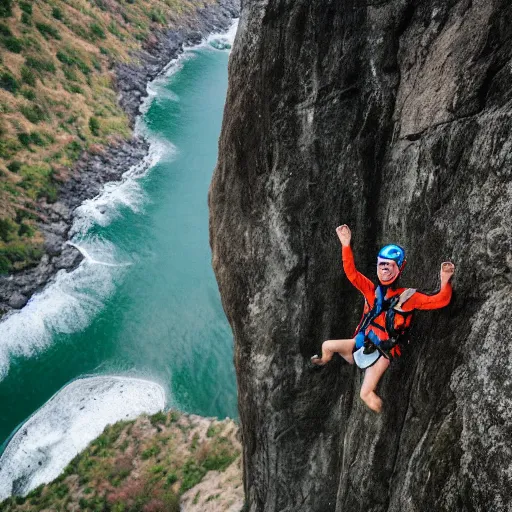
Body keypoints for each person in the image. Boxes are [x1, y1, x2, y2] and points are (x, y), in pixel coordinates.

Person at [311, 224, 455, 413]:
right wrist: (346, 244)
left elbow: (439, 301)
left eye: (390, 265)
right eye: (382, 264)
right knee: (326, 346)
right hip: (363, 341)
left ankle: (385, 411)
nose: (385, 269)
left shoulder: (408, 298)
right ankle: (340, 358)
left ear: (399, 267)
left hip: (383, 352)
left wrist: (445, 281)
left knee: (365, 393)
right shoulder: (371, 291)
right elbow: (352, 274)